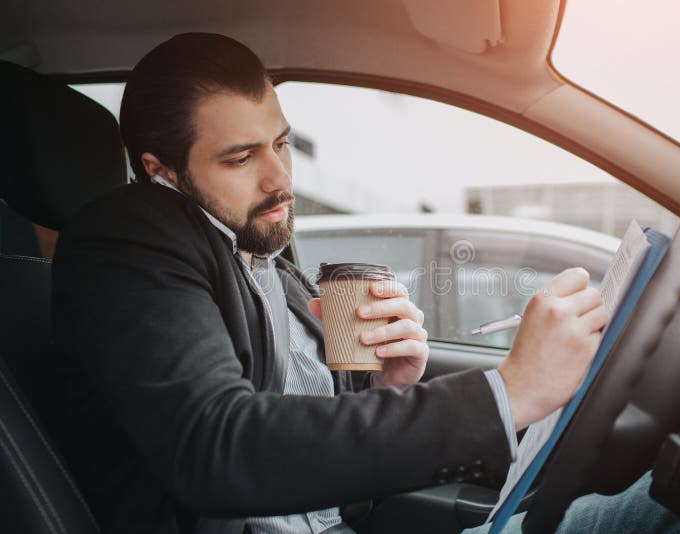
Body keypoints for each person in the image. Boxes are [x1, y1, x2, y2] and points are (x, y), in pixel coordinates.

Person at [51, 32, 649, 534]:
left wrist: (385, 389)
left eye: (281, 144)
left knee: (645, 504)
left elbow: (307, 449)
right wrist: (510, 391)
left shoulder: (266, 260)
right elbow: (216, 445)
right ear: (161, 173)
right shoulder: (128, 240)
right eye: (241, 158)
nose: (279, 176)